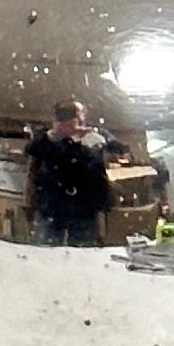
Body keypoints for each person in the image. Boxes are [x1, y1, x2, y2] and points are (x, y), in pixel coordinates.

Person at [28, 103, 115, 247]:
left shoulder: (94, 137)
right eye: (70, 117)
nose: (78, 121)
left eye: (80, 116)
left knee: (84, 250)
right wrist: (55, 136)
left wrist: (85, 141)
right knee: (43, 250)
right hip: (51, 205)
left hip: (84, 206)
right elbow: (32, 151)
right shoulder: (46, 137)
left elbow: (105, 161)